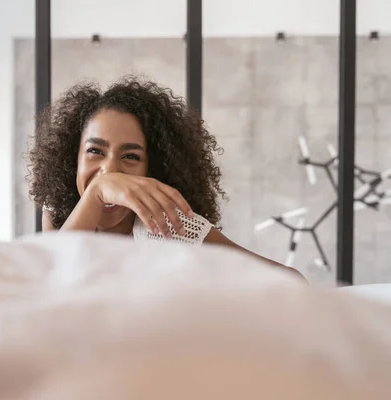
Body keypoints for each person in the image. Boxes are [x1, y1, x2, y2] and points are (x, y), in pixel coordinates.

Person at [27, 76, 306, 282]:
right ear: (72, 159)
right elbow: (48, 287)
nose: (110, 171)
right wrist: (96, 193)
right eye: (95, 151)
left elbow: (290, 281)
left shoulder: (172, 225)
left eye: (131, 156)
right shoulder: (58, 215)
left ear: (152, 171)